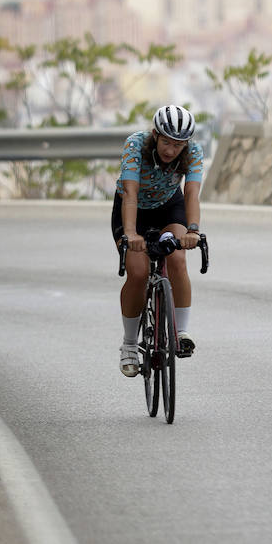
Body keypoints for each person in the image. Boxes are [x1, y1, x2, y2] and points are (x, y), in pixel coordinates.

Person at [112, 104, 204, 377]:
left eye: (178, 145)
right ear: (155, 134)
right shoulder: (136, 145)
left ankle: (181, 332)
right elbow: (130, 192)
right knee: (138, 272)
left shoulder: (193, 153)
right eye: (166, 142)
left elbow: (191, 195)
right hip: (133, 209)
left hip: (168, 206)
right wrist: (130, 234)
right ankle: (129, 345)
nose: (170, 150)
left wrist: (194, 231)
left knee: (177, 257)